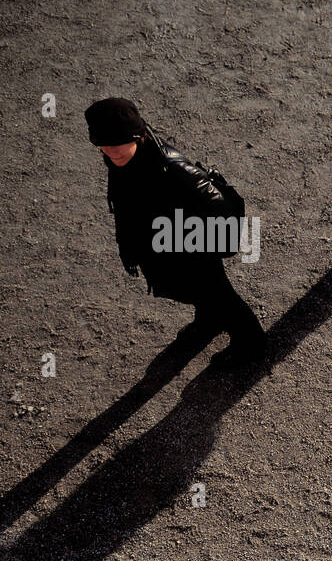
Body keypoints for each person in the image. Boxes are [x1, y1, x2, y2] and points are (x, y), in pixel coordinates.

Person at [85, 98, 266, 368]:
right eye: (104, 146)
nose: (111, 153)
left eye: (118, 146)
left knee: (220, 297)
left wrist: (202, 244)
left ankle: (252, 345)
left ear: (137, 136)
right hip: (166, 248)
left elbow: (220, 209)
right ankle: (209, 321)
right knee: (200, 295)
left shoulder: (175, 171)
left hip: (192, 249)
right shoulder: (122, 162)